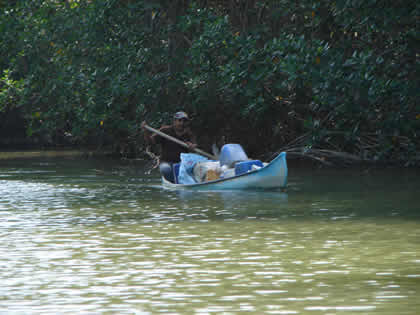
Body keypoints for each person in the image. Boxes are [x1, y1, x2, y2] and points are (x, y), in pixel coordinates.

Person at [141, 111, 197, 183]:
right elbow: (151, 142)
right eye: (179, 121)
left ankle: (185, 181)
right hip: (167, 162)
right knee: (166, 169)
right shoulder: (165, 130)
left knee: (194, 169)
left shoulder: (189, 134)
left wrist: (192, 146)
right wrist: (146, 131)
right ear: (174, 121)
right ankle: (173, 182)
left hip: (182, 164)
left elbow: (194, 147)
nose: (182, 123)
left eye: (184, 121)